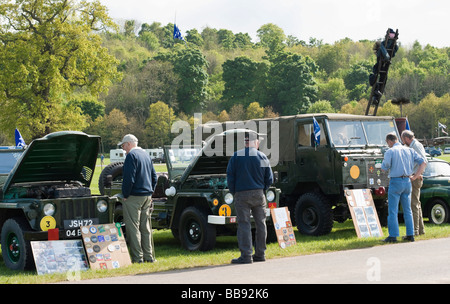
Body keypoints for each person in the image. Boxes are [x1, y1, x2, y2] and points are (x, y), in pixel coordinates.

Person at [226, 132, 273, 264]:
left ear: (245, 143)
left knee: (244, 224)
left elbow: (230, 177)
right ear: (256, 143)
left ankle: (246, 256)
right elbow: (269, 178)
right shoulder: (262, 156)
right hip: (258, 193)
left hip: (241, 194)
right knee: (261, 223)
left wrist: (234, 192)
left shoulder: (236, 157)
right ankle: (260, 254)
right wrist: (263, 189)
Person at [381, 132, 426, 243]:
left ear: (390, 141)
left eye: (388, 143)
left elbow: (384, 168)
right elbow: (423, 162)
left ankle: (393, 235)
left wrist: (383, 166)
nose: (388, 145)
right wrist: (415, 176)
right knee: (408, 210)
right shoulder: (409, 150)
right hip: (407, 181)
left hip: (396, 181)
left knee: (393, 210)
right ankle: (410, 234)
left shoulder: (390, 151)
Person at [119, 134, 157, 263]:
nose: (124, 149)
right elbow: (154, 177)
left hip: (134, 196)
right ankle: (149, 256)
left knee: (133, 228)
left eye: (124, 146)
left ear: (129, 144)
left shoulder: (131, 156)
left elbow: (129, 178)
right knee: (145, 227)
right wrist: (150, 192)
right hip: (147, 195)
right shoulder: (146, 155)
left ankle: (138, 258)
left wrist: (125, 195)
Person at [401, 130, 427, 236]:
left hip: (415, 179)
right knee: (417, 204)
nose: (403, 142)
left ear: (407, 138)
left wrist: (416, 175)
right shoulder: (413, 146)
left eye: (403, 140)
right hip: (415, 177)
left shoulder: (416, 146)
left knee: (414, 205)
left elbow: (424, 161)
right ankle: (421, 230)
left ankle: (415, 231)